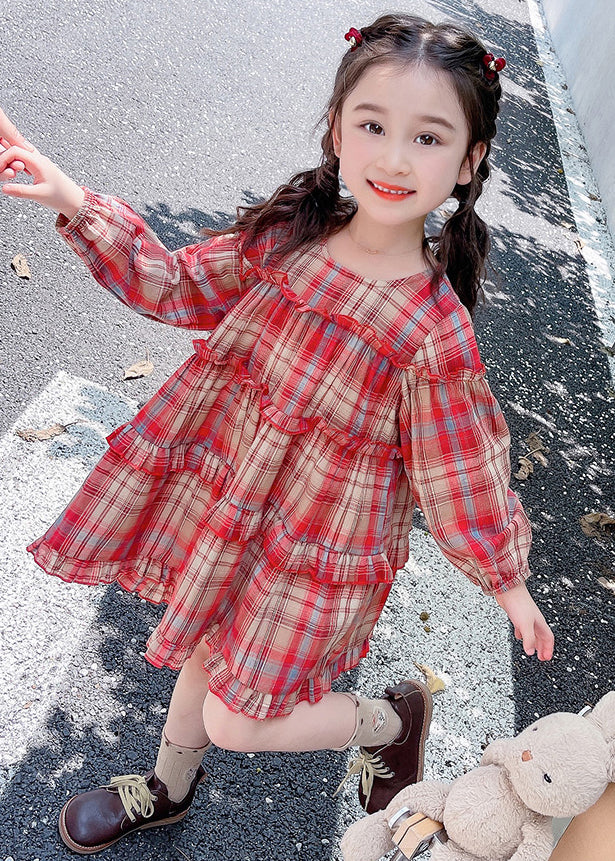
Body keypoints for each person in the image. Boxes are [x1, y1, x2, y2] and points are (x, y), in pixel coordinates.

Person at [0, 13, 554, 855]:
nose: (393, 158)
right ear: (335, 128)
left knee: (237, 716)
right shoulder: (288, 240)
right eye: (372, 124)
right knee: (206, 646)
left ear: (468, 160)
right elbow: (173, 285)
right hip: (233, 496)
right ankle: (168, 786)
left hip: (317, 543)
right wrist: (71, 199)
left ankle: (389, 719)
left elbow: (459, 468)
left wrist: (505, 579)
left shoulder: (431, 330)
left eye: (428, 137)